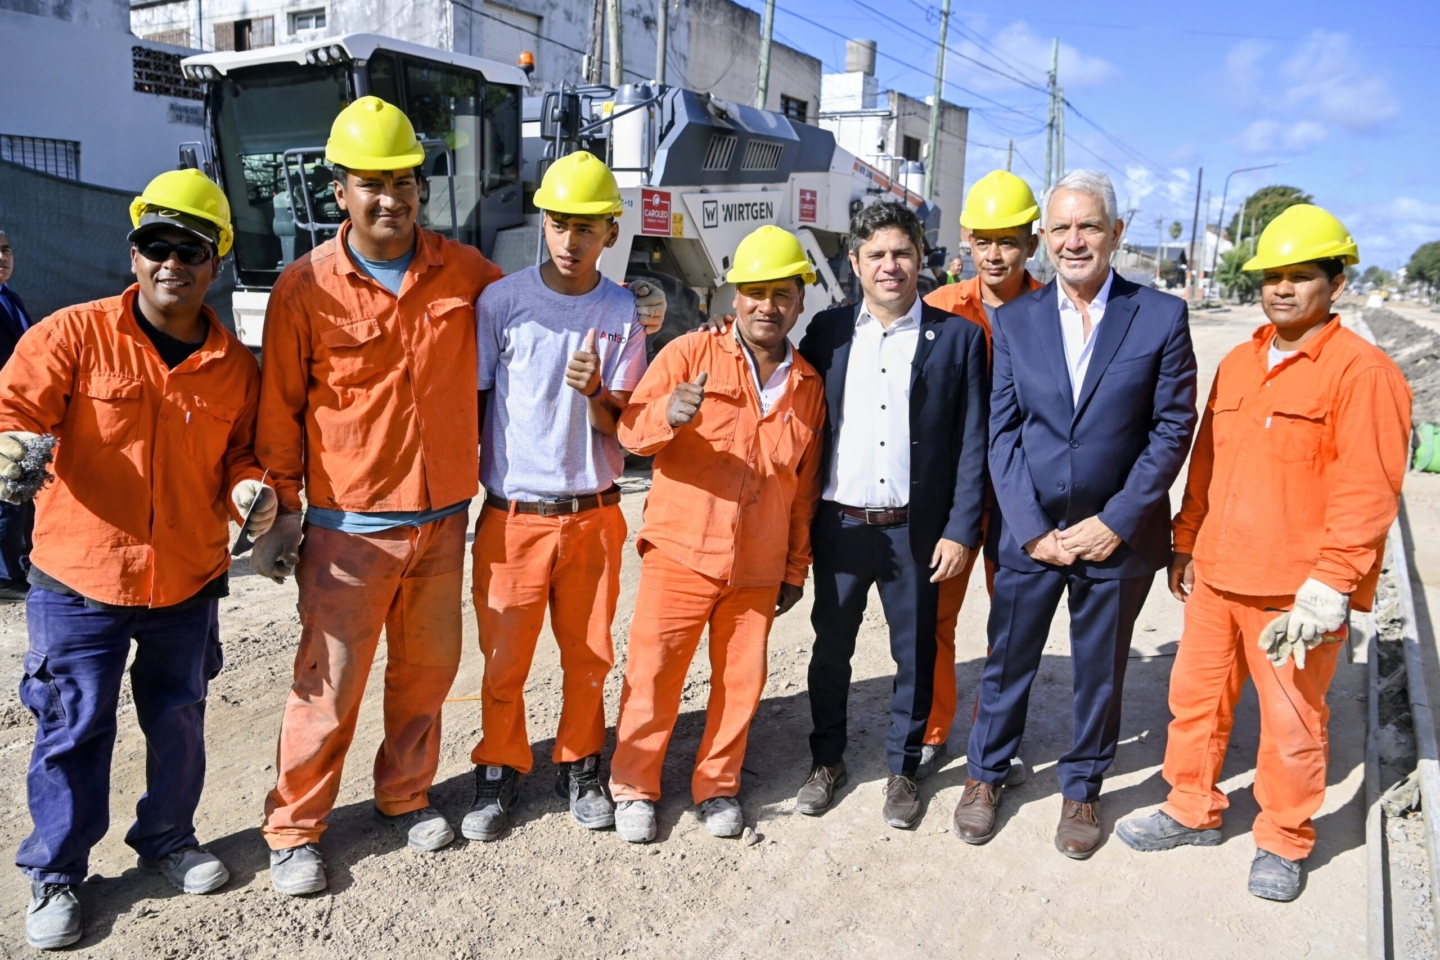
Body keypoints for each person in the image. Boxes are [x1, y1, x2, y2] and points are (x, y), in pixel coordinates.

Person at [0, 170, 272, 949]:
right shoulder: (72, 336)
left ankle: (168, 839)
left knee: (179, 720)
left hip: (186, 579)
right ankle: (57, 871)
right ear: (134, 254)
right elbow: (16, 408)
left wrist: (251, 492)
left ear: (215, 262)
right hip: (79, 577)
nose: (171, 263)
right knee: (73, 727)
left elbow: (244, 454)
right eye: (157, 245)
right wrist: (11, 445)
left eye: (190, 249)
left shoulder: (233, 366)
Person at [1116, 205, 1411, 901]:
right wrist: (1187, 542)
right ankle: (1191, 807)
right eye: (1272, 276)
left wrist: (1332, 583)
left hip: (1293, 594)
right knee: (1195, 702)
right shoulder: (1242, 362)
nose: (1282, 288)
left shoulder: (1362, 373)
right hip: (1219, 575)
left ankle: (1283, 837)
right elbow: (1208, 463)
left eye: (1300, 276)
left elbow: (1369, 489)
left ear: (1337, 283)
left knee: (1292, 722)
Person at [251, 97, 504, 894]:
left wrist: (632, 308)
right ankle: (294, 828)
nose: (390, 198)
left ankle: (404, 795)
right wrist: (281, 513)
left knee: (426, 674)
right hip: (349, 527)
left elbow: (537, 315)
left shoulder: (466, 272)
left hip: (442, 518)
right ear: (341, 192)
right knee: (328, 686)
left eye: (403, 182)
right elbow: (279, 411)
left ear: (420, 188)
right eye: (372, 183)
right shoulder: (304, 288)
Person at [957, 170, 1198, 859]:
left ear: (1115, 233)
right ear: (1045, 237)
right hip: (1030, 535)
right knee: (1007, 661)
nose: (1073, 240)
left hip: (1118, 539)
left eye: (1088, 226)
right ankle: (985, 775)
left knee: (1100, 671)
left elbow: (1171, 429)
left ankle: (1083, 786)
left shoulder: (1160, 316)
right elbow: (1003, 432)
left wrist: (1115, 521)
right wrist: (1032, 529)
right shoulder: (1015, 320)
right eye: (1060, 228)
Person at [608, 226, 825, 842]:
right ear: (736, 297)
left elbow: (803, 491)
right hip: (681, 550)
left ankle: (718, 785)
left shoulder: (808, 387)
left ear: (799, 302)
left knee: (740, 682)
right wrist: (667, 414)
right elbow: (630, 433)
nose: (767, 306)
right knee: (654, 673)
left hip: (757, 563)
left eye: (781, 294)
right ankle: (634, 786)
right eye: (755, 292)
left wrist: (794, 567)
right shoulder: (689, 354)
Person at [462, 151, 650, 843]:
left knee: (589, 654)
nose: (572, 240)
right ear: (543, 222)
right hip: (513, 516)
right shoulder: (502, 302)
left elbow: (620, 425)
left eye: (588, 227)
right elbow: (477, 401)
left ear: (610, 232)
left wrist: (596, 390)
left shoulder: (621, 310)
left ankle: (581, 763)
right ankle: (499, 767)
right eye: (560, 224)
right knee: (503, 659)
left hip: (591, 513)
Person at [795, 201, 989, 830]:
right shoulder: (827, 332)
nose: (890, 265)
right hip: (842, 526)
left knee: (916, 655)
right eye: (876, 254)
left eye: (902, 253)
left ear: (920, 259)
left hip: (917, 531)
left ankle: (904, 768)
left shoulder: (957, 338)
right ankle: (826, 761)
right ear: (854, 262)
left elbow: (974, 444)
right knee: (831, 651)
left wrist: (960, 529)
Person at [915, 170, 1043, 781]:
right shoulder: (939, 309)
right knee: (934, 618)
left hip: (1025, 498)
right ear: (966, 240)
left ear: (1031, 244)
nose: (994, 254)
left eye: (1008, 241)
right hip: (954, 499)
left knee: (1011, 627)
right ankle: (934, 729)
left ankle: (996, 736)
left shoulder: (1054, 313)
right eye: (984, 240)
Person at [0, 229, 35, 602]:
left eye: (6, 250)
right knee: (5, 496)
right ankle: (5, 576)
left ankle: (21, 566)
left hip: (20, 409)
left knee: (22, 493)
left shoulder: (11, 297)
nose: (2, 258)